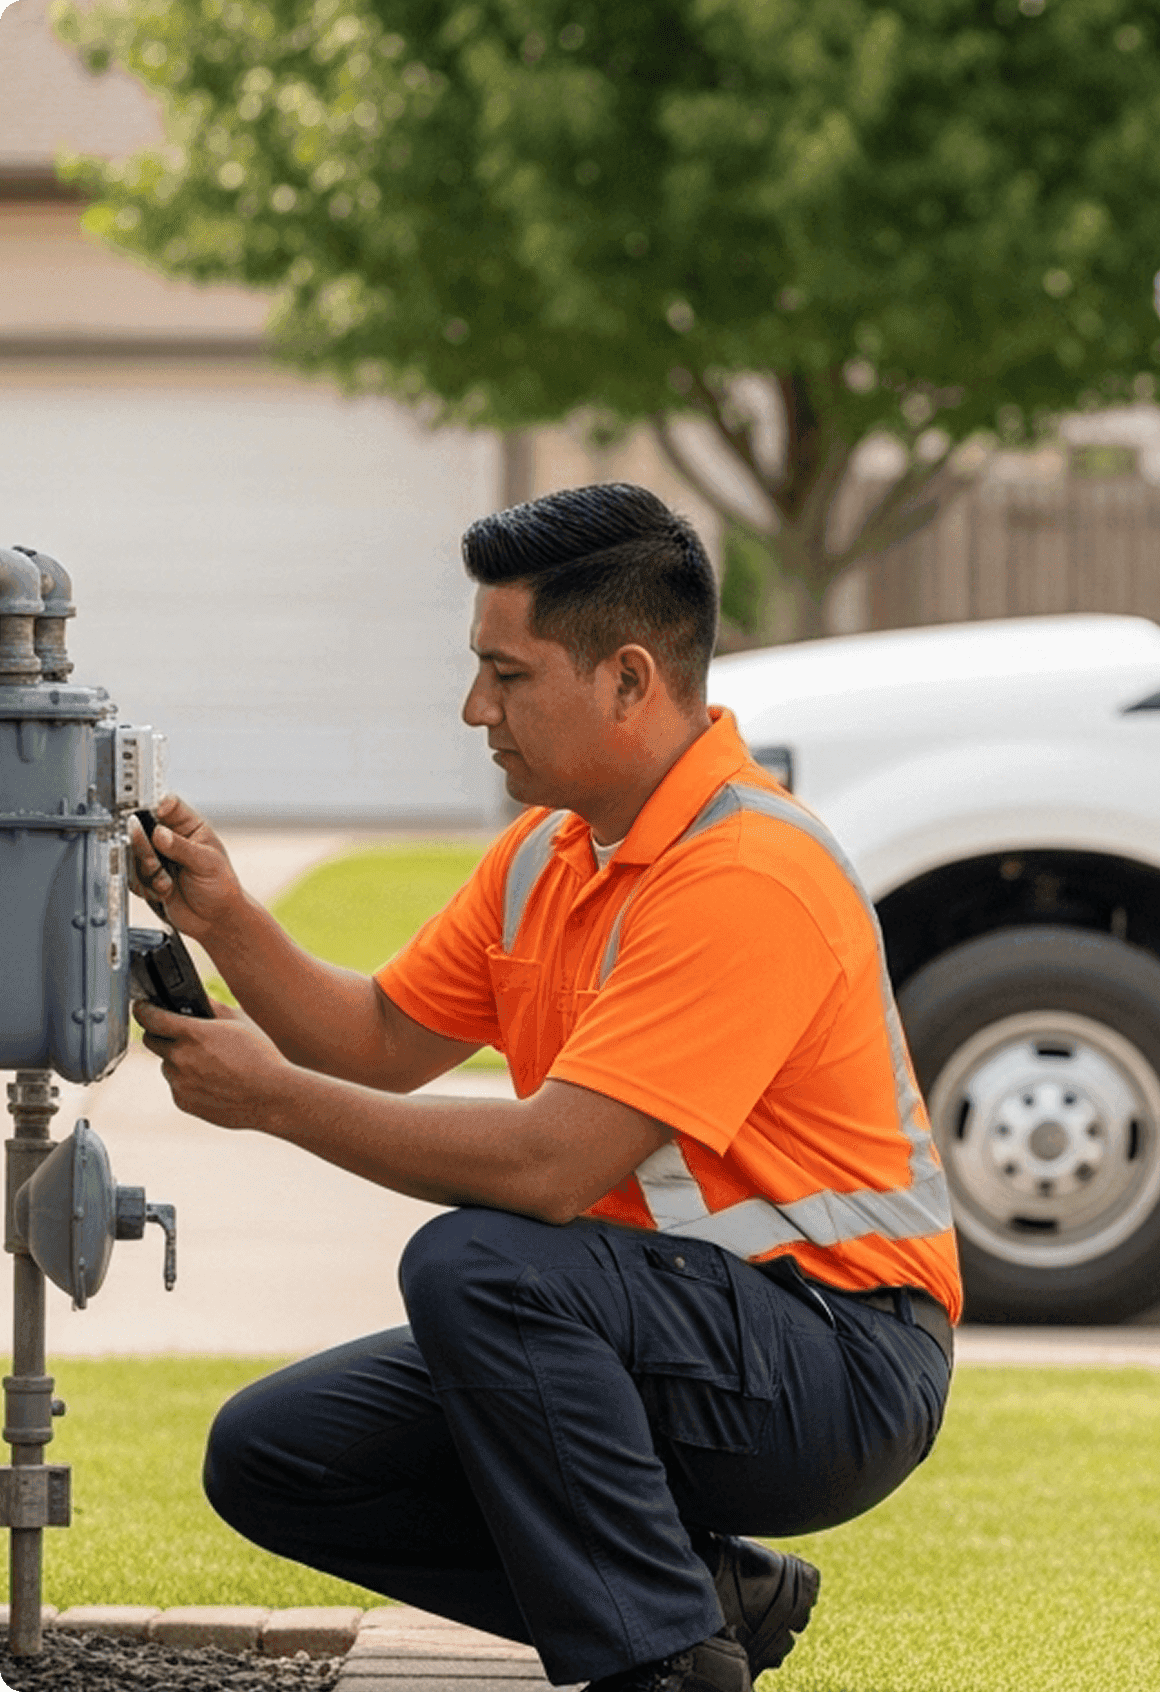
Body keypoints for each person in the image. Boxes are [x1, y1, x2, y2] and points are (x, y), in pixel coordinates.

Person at [130, 482, 961, 1692]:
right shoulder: (553, 850)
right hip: (656, 1325)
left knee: (479, 1263)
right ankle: (711, 1593)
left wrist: (270, 1102)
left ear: (628, 679)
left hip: (839, 1363)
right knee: (276, 1455)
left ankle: (666, 1661)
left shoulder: (747, 875)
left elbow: (552, 1169)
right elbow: (375, 1035)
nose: (476, 710)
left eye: (507, 675)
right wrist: (229, 921)